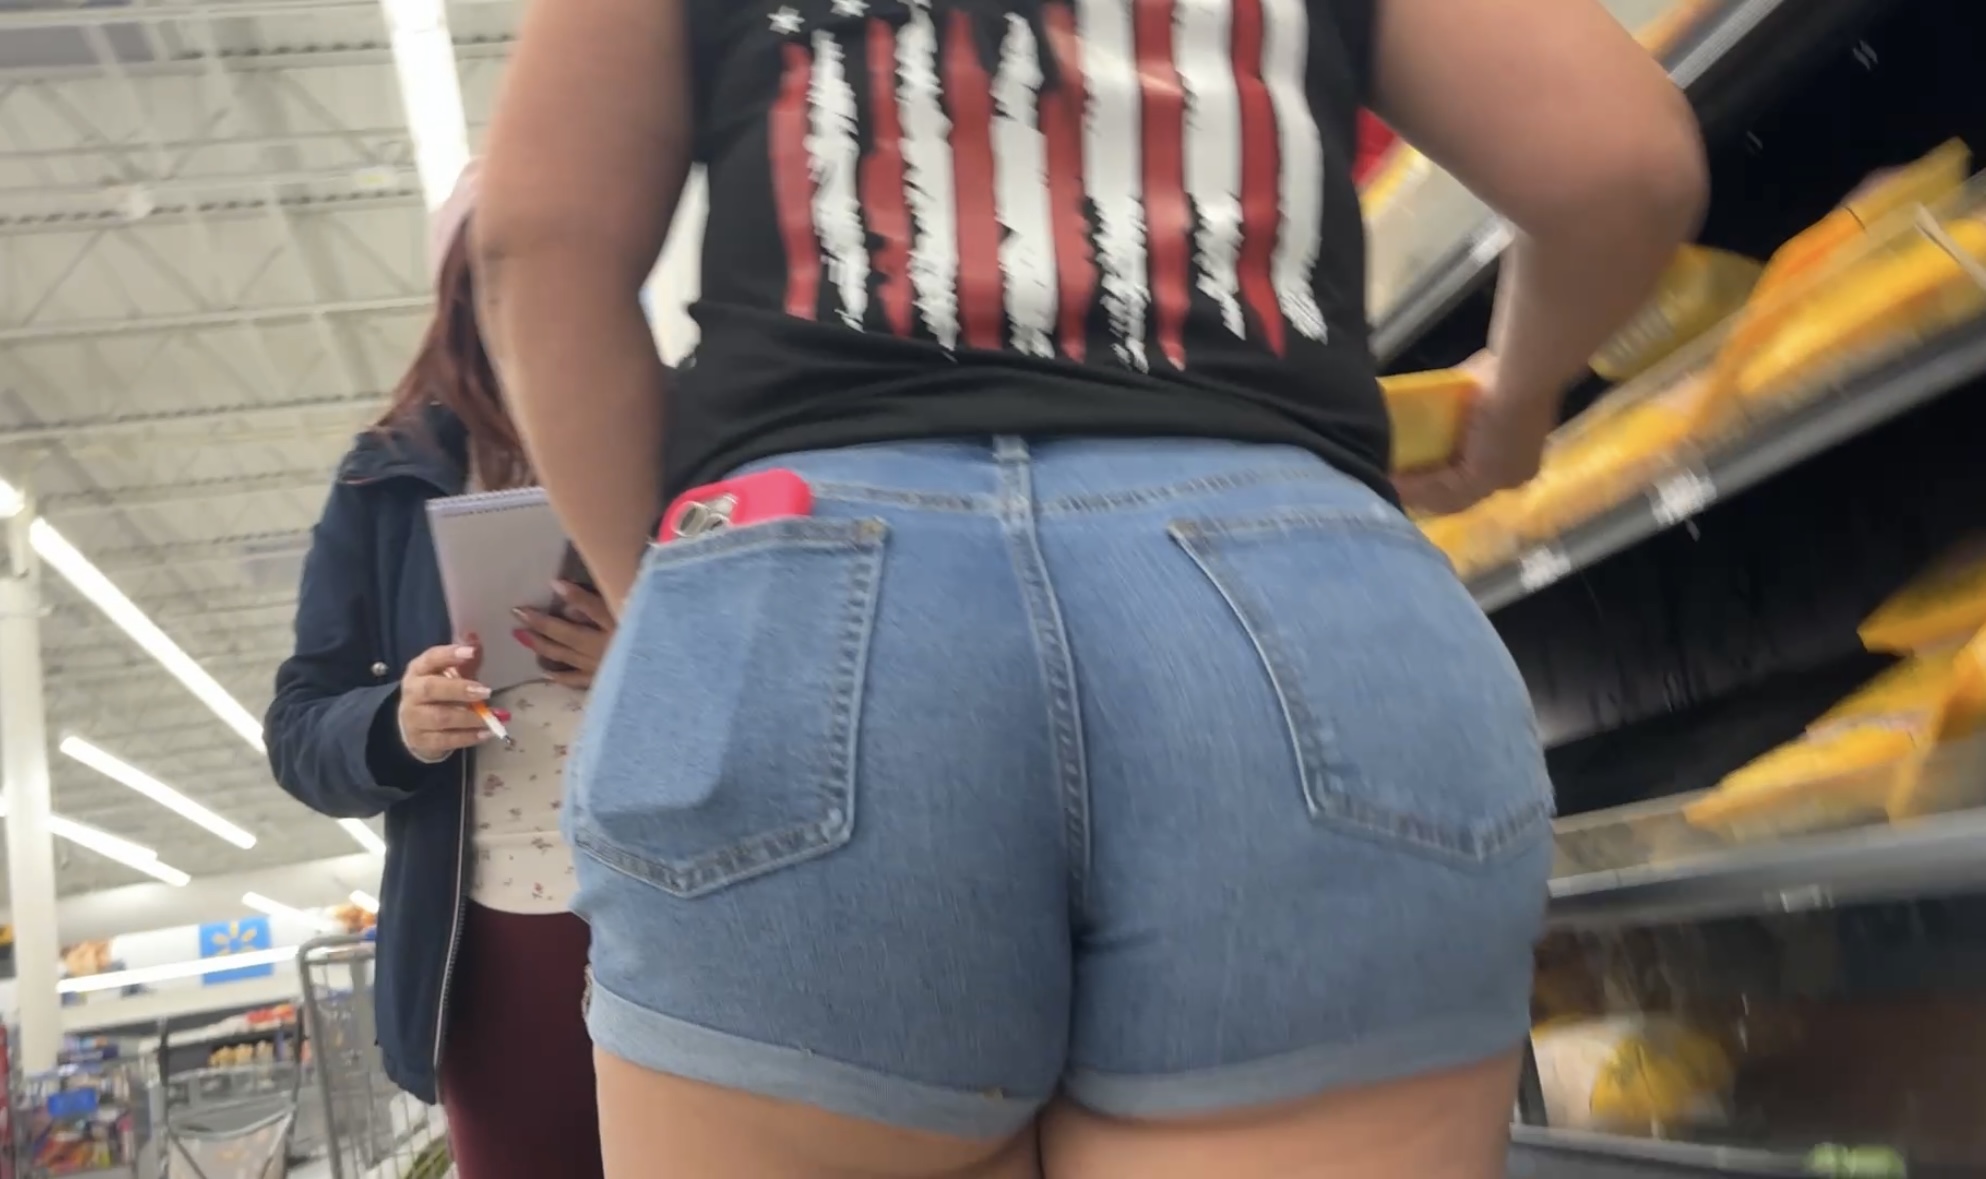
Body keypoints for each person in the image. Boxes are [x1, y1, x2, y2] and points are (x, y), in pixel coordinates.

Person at [474, 0, 1706, 1174]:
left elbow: (536, 247)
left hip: (800, 589)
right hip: (1296, 587)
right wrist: (1514, 398)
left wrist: (680, 609)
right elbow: (1620, 163)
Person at [265, 164, 611, 1179]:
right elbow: (299, 727)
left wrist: (642, 659)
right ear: (460, 293)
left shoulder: (673, 440)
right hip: (494, 938)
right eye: (502, 268)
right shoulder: (385, 478)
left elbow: (783, 675)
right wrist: (397, 723)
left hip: (681, 901)